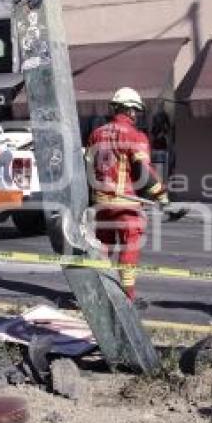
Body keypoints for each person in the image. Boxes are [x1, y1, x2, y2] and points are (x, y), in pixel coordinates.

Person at [86, 87, 169, 309]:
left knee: (103, 248)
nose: (137, 116)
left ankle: (98, 295)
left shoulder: (96, 134)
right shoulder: (135, 135)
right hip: (125, 204)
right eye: (136, 112)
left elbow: (88, 168)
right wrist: (162, 197)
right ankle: (127, 299)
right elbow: (144, 170)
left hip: (101, 202)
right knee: (129, 248)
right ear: (131, 111)